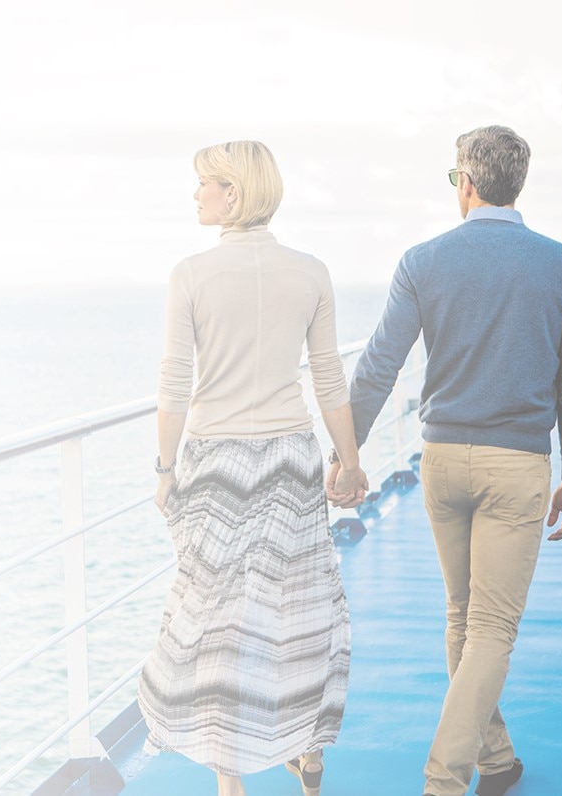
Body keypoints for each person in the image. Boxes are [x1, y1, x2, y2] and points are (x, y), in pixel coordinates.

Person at [327, 125, 562, 796]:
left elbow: (378, 367)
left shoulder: (422, 261)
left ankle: (497, 760)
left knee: (464, 618)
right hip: (518, 467)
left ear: (467, 184)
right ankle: (444, 780)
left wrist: (347, 456)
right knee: (491, 627)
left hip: (442, 462)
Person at [137, 141, 368, 796]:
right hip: (291, 458)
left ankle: (230, 780)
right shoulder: (311, 271)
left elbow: (175, 383)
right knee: (296, 610)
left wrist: (163, 468)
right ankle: (306, 748)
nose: (196, 195)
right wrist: (348, 460)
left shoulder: (190, 274)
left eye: (204, 184)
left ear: (233, 193)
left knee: (213, 620)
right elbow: (328, 376)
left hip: (216, 462)